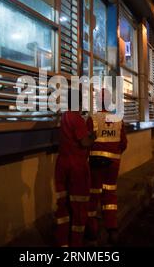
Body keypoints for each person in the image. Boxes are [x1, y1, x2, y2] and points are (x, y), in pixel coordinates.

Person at [54, 88, 96, 247]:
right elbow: (84, 142)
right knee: (79, 206)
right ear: (79, 101)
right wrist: (92, 136)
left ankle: (62, 242)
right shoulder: (77, 119)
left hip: (62, 164)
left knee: (63, 207)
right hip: (76, 167)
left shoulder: (64, 116)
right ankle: (76, 245)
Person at [85, 89, 127, 245]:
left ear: (98, 101)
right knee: (109, 194)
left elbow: (86, 141)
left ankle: (92, 230)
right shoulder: (118, 119)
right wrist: (114, 153)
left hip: (95, 162)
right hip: (113, 163)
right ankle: (112, 228)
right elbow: (123, 143)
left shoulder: (92, 119)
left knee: (93, 194)